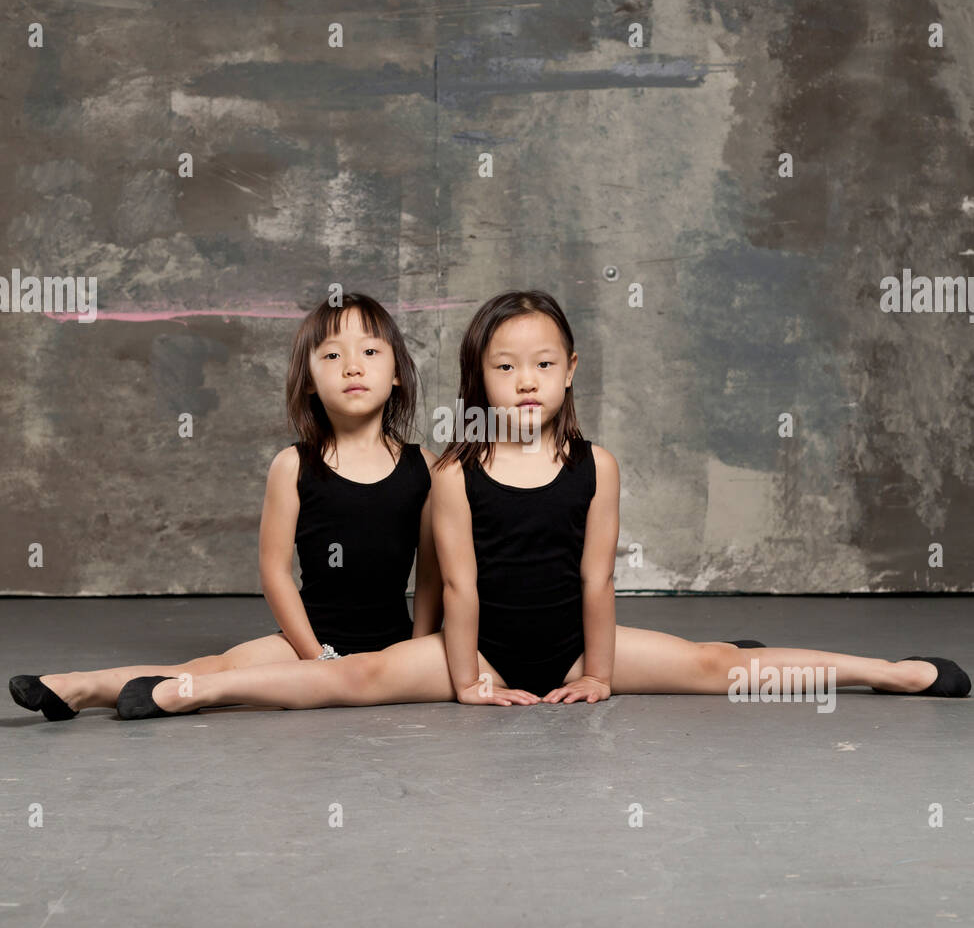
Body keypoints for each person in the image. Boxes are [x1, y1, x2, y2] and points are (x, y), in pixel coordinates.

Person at [105, 291, 970, 716]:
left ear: (571, 372)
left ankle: (883, 671)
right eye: (505, 367)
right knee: (352, 675)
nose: (526, 381)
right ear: (476, 377)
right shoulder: (452, 472)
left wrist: (595, 671)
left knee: (714, 665)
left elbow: (597, 581)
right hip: (468, 648)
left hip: (564, 643)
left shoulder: (600, 465)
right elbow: (458, 590)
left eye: (544, 365)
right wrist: (466, 679)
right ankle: (194, 695)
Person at [10, 293, 442, 721]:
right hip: (308, 637)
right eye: (331, 355)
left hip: (391, 643)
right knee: (213, 667)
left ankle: (152, 695)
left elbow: (430, 578)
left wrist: (414, 652)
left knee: (235, 685)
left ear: (398, 372)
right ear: (308, 380)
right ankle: (78, 687)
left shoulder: (423, 467)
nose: (353, 366)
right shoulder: (293, 465)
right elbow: (275, 572)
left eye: (369, 351)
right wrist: (316, 656)